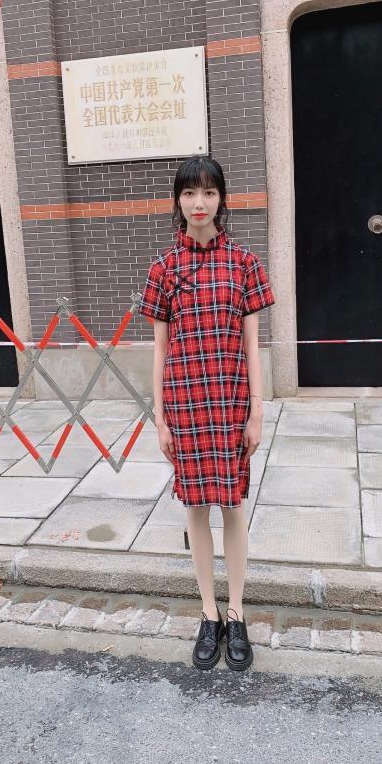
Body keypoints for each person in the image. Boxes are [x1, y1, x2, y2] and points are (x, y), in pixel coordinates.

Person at [138, 155, 275, 671]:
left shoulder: (244, 263)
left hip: (232, 402)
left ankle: (236, 612)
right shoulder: (164, 269)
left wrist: (256, 412)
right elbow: (159, 349)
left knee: (233, 506)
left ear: (221, 199)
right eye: (190, 193)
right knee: (195, 507)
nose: (200, 203)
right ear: (178, 200)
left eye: (209, 192)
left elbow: (252, 344)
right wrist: (159, 417)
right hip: (185, 405)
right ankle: (209, 613)